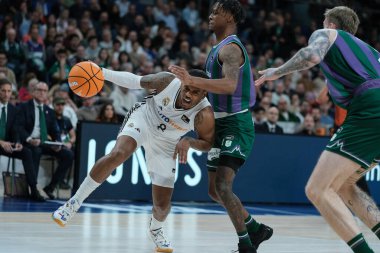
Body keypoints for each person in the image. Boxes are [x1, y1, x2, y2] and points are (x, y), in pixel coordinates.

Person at [255, 6, 380, 253]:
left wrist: (276, 73)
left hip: (370, 108)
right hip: (371, 110)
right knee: (344, 185)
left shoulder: (328, 34)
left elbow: (311, 56)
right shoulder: (371, 53)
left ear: (331, 25)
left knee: (317, 189)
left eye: (323, 23)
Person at [52, 67, 215, 253]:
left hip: (168, 142)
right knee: (118, 154)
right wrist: (102, 72)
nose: (188, 94)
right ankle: (73, 203)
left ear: (204, 93)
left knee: (162, 206)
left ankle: (156, 229)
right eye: (187, 88)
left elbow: (208, 143)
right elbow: (133, 81)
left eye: (195, 92)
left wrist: (189, 141)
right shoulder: (167, 82)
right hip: (143, 119)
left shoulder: (205, 114)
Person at [169, 1, 273, 252]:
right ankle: (256, 229)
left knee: (224, 186)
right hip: (219, 121)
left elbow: (228, 85)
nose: (211, 15)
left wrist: (191, 79)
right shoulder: (217, 49)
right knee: (215, 191)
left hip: (236, 122)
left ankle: (246, 244)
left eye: (216, 12)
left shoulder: (230, 50)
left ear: (229, 16)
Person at [17, 81, 74, 200]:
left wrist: (58, 143)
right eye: (39, 90)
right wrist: (29, 139)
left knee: (68, 154)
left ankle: (50, 187)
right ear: (33, 92)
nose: (42, 93)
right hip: (29, 142)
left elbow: (55, 131)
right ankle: (34, 190)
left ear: (47, 93)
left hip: (44, 143)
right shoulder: (24, 107)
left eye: (45, 91)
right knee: (36, 151)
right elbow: (19, 127)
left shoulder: (49, 111)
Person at [0, 78, 45, 201]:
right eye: (3, 91)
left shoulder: (13, 109)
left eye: (9, 91)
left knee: (27, 152)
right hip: (1, 143)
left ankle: (34, 190)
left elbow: (15, 129)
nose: (6, 94)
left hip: (7, 145)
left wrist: (18, 142)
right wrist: (1, 142)